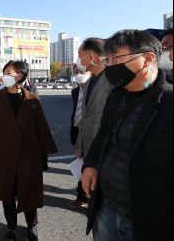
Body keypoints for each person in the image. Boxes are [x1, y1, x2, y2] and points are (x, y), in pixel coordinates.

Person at [82, 30, 173, 241]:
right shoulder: (116, 96)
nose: (111, 66)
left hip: (147, 221)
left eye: (117, 59)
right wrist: (90, 164)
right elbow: (103, 135)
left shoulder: (169, 102)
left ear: (148, 58)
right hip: (106, 208)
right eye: (108, 60)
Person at [0, 60, 58, 241]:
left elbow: (42, 128)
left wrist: (44, 155)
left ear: (20, 75)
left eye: (9, 72)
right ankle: (12, 228)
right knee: (6, 193)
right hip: (4, 155)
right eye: (4, 72)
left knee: (29, 193)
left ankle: (32, 227)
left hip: (28, 156)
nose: (4, 75)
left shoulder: (32, 99)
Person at [75, 38, 114, 159]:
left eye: (80, 56)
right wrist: (80, 144)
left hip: (106, 152)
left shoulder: (113, 81)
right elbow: (85, 118)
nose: (78, 60)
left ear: (91, 56)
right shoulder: (90, 81)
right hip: (87, 150)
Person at [66, 65, 91, 209]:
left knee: (89, 167)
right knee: (81, 165)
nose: (78, 74)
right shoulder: (75, 91)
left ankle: (89, 198)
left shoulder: (95, 90)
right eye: (76, 72)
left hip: (89, 133)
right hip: (77, 132)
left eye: (82, 72)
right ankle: (81, 197)